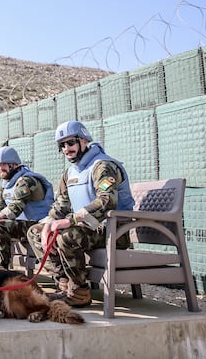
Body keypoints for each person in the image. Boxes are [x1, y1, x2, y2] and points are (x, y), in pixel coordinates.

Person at [26, 120, 135, 307]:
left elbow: (106, 201)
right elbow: (60, 206)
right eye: (62, 145)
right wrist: (48, 226)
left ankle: (79, 292)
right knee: (35, 232)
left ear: (84, 140)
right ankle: (64, 283)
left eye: (70, 143)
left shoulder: (103, 166)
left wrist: (71, 220)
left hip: (113, 231)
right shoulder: (70, 173)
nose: (66, 149)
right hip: (89, 228)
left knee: (67, 236)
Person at [0, 146, 54, 271]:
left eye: (3, 165)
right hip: (23, 224)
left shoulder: (27, 181)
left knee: (0, 225)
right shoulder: (7, 184)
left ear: (13, 165)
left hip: (38, 224)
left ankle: (3, 269)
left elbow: (15, 209)